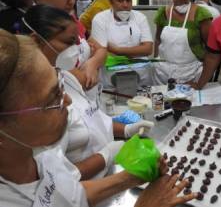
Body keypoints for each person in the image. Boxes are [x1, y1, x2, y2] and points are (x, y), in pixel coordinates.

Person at [0, 29, 197, 207]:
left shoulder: (41, 155)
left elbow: (70, 195)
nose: (68, 101)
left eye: (60, 87)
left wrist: (130, 178)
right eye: (52, 98)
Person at [21, 4, 155, 180]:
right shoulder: (32, 102)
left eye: (77, 40)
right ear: (37, 41)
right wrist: (105, 156)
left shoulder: (67, 78)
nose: (77, 48)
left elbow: (91, 120)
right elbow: (55, 178)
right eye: (69, 42)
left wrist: (126, 130)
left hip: (106, 176)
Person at [26, 0, 107, 92]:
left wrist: (92, 64)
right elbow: (84, 80)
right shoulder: (30, 25)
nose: (72, 1)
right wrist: (91, 66)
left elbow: (102, 50)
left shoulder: (71, 19)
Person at [91, 0, 154, 87]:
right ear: (111, 1)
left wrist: (116, 50)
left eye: (128, 0)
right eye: (120, 0)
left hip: (141, 76)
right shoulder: (100, 19)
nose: (125, 5)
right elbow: (101, 52)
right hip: (111, 78)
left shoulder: (140, 17)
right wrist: (136, 50)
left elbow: (148, 49)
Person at [152, 0, 213, 85]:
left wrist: (203, 79)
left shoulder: (201, 14)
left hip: (192, 73)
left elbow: (210, 48)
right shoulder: (163, 13)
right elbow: (158, 40)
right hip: (163, 73)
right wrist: (156, 61)